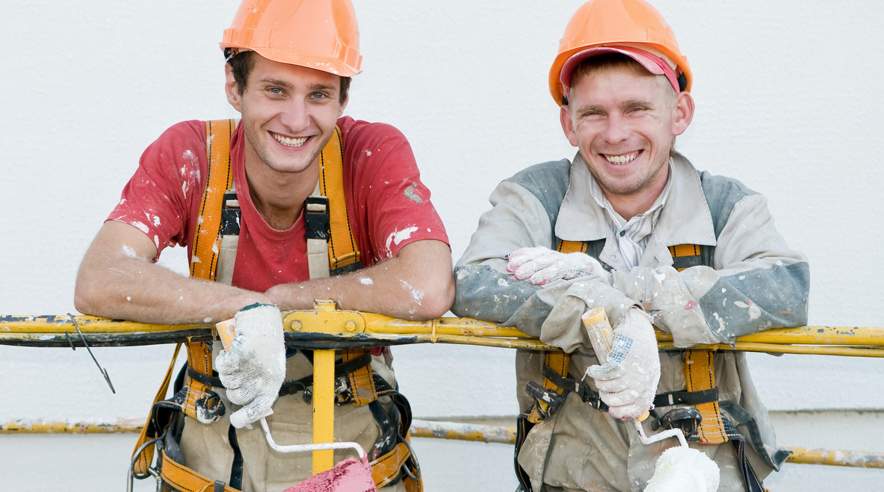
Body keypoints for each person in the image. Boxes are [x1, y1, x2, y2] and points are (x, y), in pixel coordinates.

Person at [74, 0, 453, 490]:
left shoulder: (371, 155)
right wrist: (246, 309)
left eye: (318, 95)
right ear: (235, 87)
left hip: (349, 462)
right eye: (275, 90)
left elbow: (427, 286)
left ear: (342, 100)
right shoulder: (192, 155)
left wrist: (282, 301)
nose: (296, 120)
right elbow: (101, 277)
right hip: (208, 463)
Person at [452, 0, 809, 490]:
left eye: (637, 109)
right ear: (568, 124)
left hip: (706, 480)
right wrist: (605, 308)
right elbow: (475, 282)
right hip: (570, 481)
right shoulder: (536, 197)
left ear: (679, 112)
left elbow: (784, 288)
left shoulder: (727, 205)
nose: (616, 133)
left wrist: (641, 294)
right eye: (594, 113)